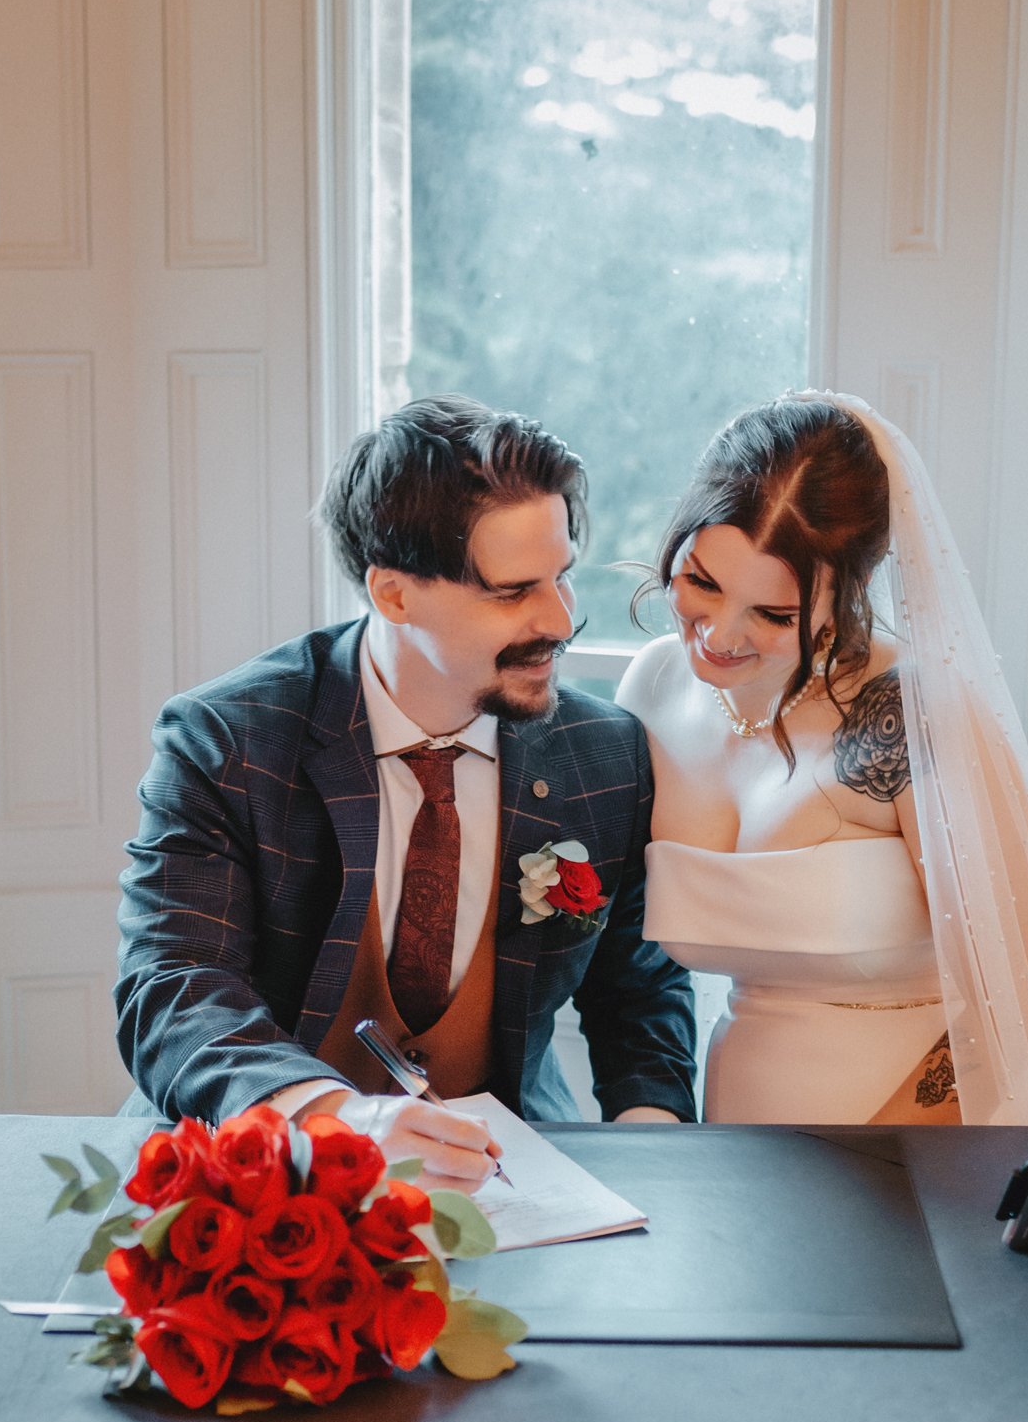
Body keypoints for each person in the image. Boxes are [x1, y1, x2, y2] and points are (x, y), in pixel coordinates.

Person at [116, 395, 696, 1180]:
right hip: (259, 1177)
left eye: (561, 576)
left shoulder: (606, 752)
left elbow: (639, 993)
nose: (561, 619)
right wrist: (334, 1119)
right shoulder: (229, 739)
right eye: (512, 590)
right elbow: (175, 985)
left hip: (516, 1177)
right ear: (393, 594)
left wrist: (653, 1136)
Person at [617, 392, 1028, 1126]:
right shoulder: (653, 685)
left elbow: (1013, 1007)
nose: (717, 634)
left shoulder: (917, 712)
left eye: (774, 615)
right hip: (746, 1109)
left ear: (849, 591)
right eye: (700, 583)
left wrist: (887, 1160)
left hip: (946, 1118)